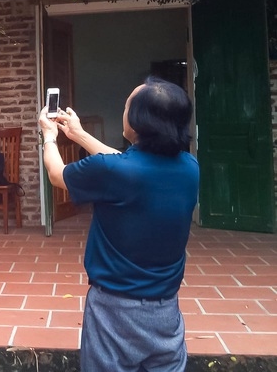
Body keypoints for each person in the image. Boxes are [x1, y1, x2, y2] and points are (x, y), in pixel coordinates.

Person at [38, 76, 199, 372]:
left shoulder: (114, 172)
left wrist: (49, 136)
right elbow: (123, 164)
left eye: (127, 107)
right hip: (166, 311)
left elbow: (57, 175)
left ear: (137, 122)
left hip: (114, 312)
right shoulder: (190, 168)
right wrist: (79, 135)